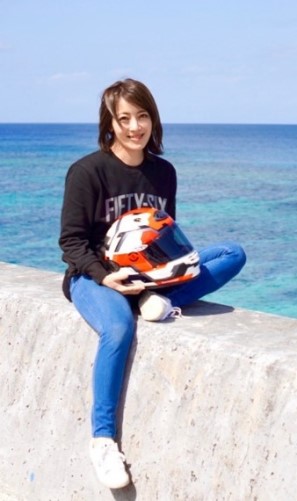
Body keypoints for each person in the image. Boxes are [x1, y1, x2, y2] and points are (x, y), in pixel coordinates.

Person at [59, 78, 246, 489]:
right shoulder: (87, 172)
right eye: (124, 118)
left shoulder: (164, 172)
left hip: (148, 276)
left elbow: (164, 232)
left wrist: (164, 272)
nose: (134, 127)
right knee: (118, 328)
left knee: (232, 254)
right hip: (94, 278)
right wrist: (106, 276)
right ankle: (103, 440)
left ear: (153, 119)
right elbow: (71, 243)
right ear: (110, 123)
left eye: (142, 116)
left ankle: (153, 296)